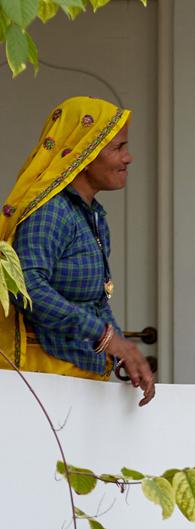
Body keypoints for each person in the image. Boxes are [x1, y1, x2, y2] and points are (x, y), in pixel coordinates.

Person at [0, 96, 156, 404]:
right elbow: (26, 287)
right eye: (118, 147)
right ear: (84, 153)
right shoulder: (51, 212)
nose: (128, 158)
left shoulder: (91, 215)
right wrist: (104, 336)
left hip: (75, 376)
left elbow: (96, 299)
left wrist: (123, 350)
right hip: (42, 380)